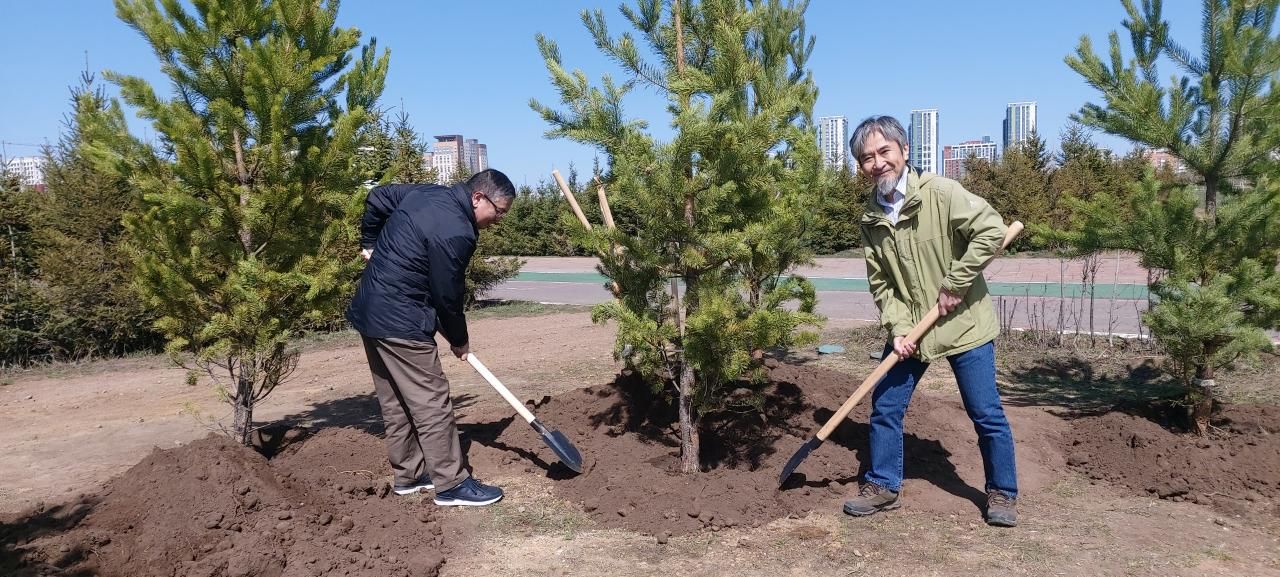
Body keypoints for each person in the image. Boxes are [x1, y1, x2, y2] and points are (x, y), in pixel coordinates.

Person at [841, 116, 1019, 527]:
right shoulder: (871, 220)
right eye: (867, 158)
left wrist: (956, 282)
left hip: (965, 322)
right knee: (885, 406)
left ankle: (1002, 492)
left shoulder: (940, 192)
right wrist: (899, 328)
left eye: (884, 151)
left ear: (904, 151)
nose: (877, 163)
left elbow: (991, 230)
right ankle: (883, 484)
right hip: (914, 331)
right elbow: (882, 283)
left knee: (985, 411)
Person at [347, 169, 515, 507]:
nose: (498, 220)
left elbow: (378, 195)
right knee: (432, 400)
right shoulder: (458, 232)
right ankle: (452, 484)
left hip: (370, 309)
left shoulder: (424, 193)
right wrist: (459, 340)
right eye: (499, 211)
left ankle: (410, 474)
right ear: (477, 198)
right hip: (401, 319)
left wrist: (370, 243)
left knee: (395, 398)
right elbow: (447, 295)